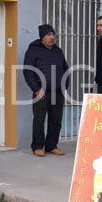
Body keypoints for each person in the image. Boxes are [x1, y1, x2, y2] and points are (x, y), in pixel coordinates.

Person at [23, 24, 69, 157]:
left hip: (58, 92)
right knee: (39, 120)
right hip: (41, 93)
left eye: (53, 34)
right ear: (42, 37)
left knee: (56, 120)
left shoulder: (58, 51)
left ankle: (52, 146)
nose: (52, 37)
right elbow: (28, 71)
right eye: (49, 35)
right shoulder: (33, 51)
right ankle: (37, 146)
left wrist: (65, 85)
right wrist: (36, 89)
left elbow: (65, 68)